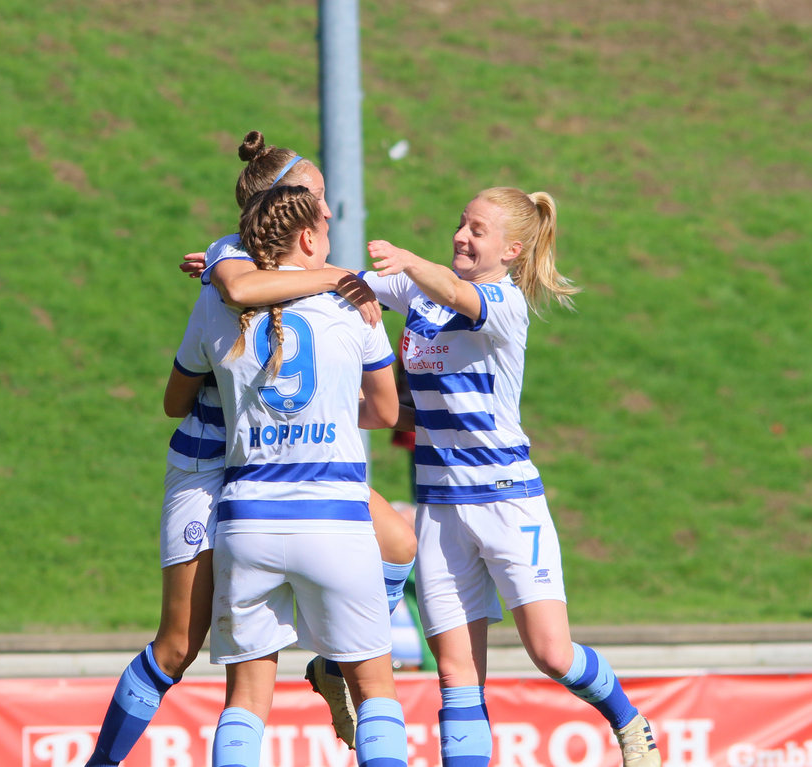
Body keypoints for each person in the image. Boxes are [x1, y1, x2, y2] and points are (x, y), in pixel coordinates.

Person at [83, 133, 413, 767]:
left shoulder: (317, 285)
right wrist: (343, 281)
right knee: (179, 646)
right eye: (317, 198)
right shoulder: (230, 259)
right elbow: (236, 292)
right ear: (282, 208)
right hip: (211, 466)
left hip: (264, 477)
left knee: (398, 544)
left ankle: (332, 664)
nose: (327, 212)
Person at [360, 187, 661, 766]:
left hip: (508, 502)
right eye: (461, 224)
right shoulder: (419, 291)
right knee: (456, 676)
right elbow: (334, 284)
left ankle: (629, 721)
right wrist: (239, 268)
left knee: (551, 654)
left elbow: (452, 291)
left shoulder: (503, 302)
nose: (461, 236)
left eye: (478, 230)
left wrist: (409, 261)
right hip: (441, 508)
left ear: (512, 249)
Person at [168, 184, 408, 767]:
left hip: (248, 521)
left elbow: (177, 397)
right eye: (324, 231)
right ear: (307, 238)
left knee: (246, 701)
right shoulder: (354, 302)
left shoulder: (218, 306)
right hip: (335, 519)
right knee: (375, 693)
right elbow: (384, 413)